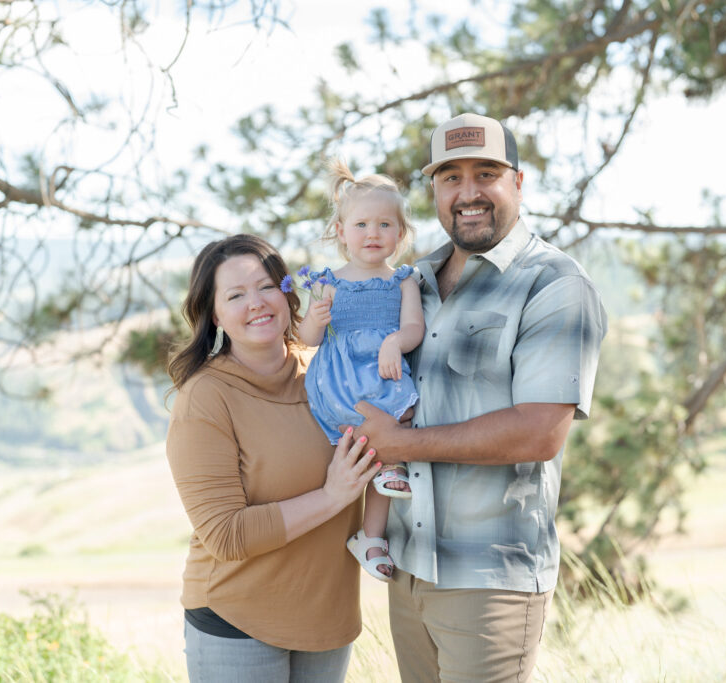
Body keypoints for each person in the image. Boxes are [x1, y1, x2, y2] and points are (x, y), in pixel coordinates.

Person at [351, 113, 608, 682]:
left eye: (486, 173)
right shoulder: (409, 282)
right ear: (435, 191)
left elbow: (539, 432)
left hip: (491, 581)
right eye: (450, 177)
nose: (468, 193)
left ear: (518, 182)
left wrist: (403, 443)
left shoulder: (554, 285)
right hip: (408, 568)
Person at [164, 234, 382, 682]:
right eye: (236, 295)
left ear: (288, 293)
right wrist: (332, 496)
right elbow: (225, 535)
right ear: (214, 314)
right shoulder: (206, 396)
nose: (256, 303)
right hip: (237, 622)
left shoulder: (328, 373)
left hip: (328, 620)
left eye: (267, 287)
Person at [296, 159, 424, 582]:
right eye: (362, 224)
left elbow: (413, 329)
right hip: (341, 384)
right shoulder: (326, 280)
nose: (373, 233)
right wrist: (316, 316)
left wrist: (395, 342)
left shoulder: (403, 280)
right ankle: (364, 525)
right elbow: (309, 339)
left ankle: (371, 539)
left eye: (385, 225)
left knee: (390, 440)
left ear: (400, 235)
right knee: (385, 445)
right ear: (341, 231)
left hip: (383, 375)